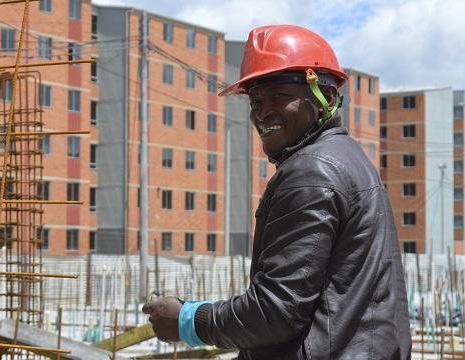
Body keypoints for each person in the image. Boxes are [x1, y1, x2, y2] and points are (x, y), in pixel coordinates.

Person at [142, 24, 411, 359]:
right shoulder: (349, 158)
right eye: (255, 100)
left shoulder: (311, 171)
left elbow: (276, 311)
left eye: (280, 96)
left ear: (326, 97)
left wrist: (189, 321)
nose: (262, 111)